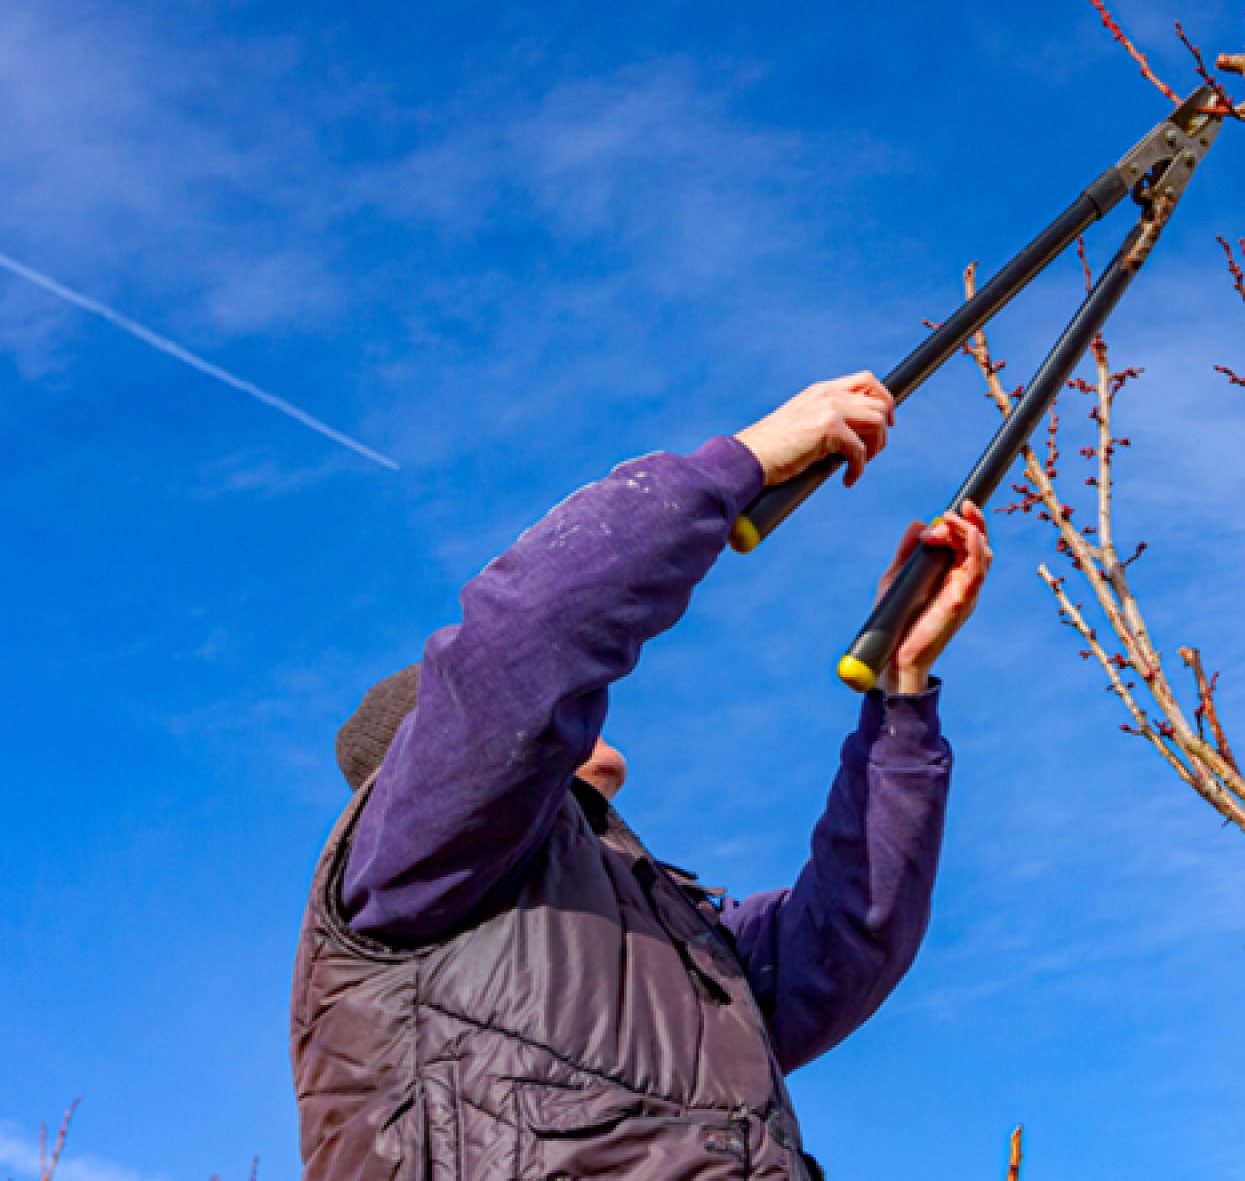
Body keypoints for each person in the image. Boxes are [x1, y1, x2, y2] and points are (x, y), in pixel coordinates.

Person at [289, 372, 992, 1180]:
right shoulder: (415, 852)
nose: (572, 716)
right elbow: (526, 641)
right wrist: (747, 462)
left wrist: (900, 691)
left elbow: (848, 935)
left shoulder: (670, 931)